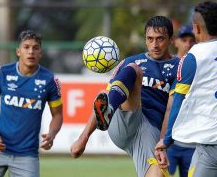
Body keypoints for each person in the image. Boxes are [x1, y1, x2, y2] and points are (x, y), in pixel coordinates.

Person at [70, 15, 180, 177]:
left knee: (158, 175)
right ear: (145, 40)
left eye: (160, 39)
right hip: (123, 120)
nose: (154, 45)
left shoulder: (179, 67)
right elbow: (106, 97)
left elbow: (171, 108)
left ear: (171, 40)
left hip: (149, 132)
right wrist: (83, 138)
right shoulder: (132, 61)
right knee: (133, 71)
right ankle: (110, 110)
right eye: (150, 39)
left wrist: (163, 143)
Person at [155, 1, 217, 177]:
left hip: (216, 140)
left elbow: (177, 102)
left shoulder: (193, 58)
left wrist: (166, 139)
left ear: (196, 28)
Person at [0, 30, 63, 177]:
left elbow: (58, 115)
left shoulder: (50, 81)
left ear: (40, 53)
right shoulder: (1, 74)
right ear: (18, 51)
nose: (31, 52)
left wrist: (52, 135)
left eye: (36, 48)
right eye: (26, 47)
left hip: (27, 155)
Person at [166, 24, 196, 177]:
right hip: (169, 142)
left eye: (192, 40)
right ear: (175, 41)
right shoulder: (168, 67)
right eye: (184, 40)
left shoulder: (201, 68)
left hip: (193, 141)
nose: (188, 44)